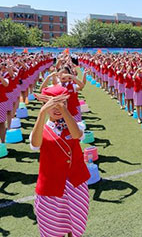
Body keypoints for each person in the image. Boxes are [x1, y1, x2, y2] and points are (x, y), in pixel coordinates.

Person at [30, 85, 90, 237]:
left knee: (74, 227)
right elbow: (35, 144)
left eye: (61, 103)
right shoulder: (41, 129)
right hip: (50, 188)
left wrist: (64, 110)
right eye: (52, 104)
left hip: (75, 184)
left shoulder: (75, 124)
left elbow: (77, 134)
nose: (56, 109)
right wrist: (42, 112)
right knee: (53, 229)